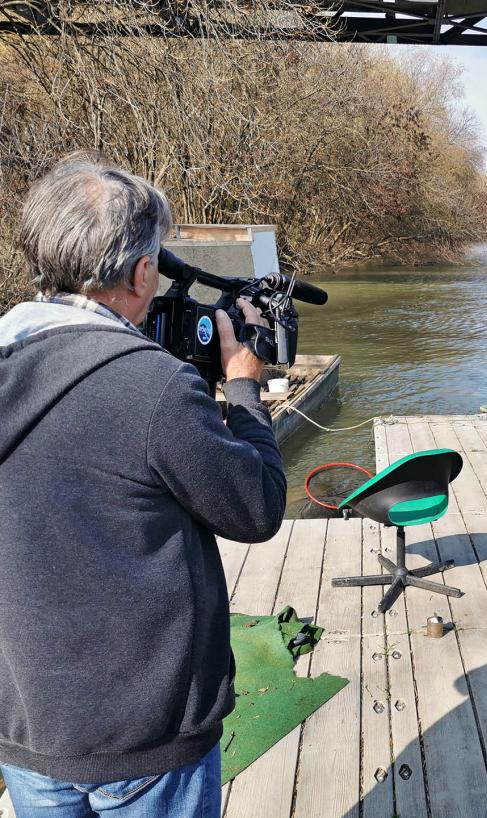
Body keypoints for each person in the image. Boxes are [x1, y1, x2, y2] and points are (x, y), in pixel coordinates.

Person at [0, 154, 287, 817]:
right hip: (147, 740)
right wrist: (242, 383)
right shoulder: (153, 387)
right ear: (142, 272)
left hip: (27, 731)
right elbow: (256, 507)